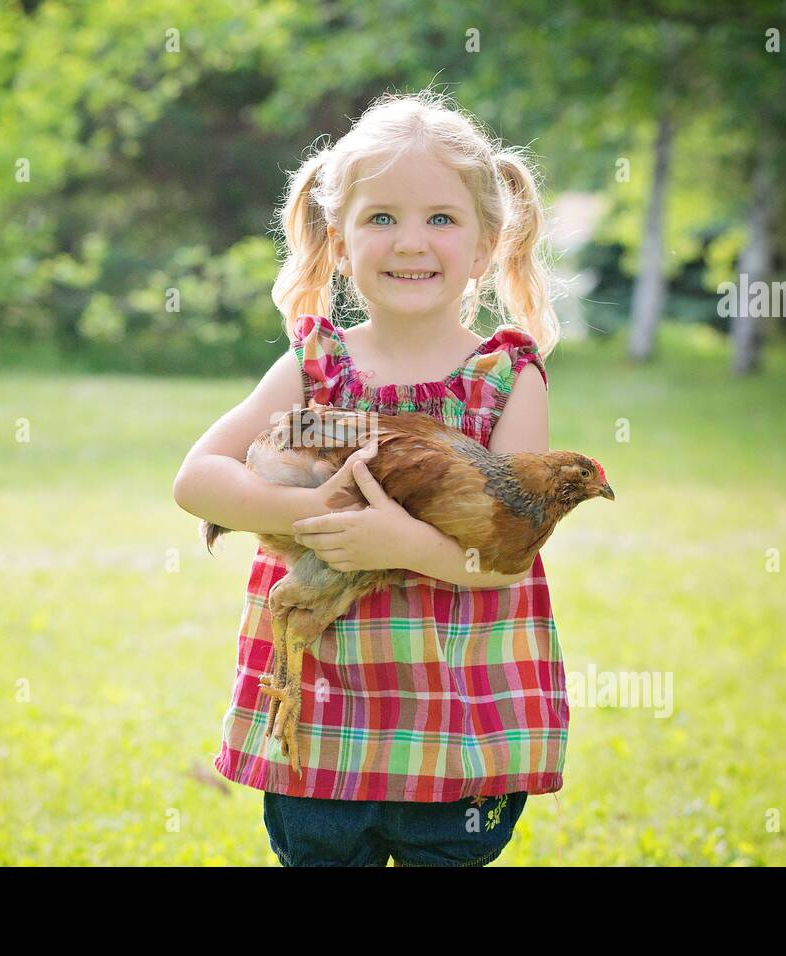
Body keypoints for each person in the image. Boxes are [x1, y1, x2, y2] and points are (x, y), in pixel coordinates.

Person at [173, 87, 567, 866]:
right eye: (381, 218)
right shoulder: (317, 367)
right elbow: (197, 479)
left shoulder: (505, 381)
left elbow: (506, 555)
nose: (410, 242)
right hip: (322, 714)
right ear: (343, 244)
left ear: (487, 244)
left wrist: (404, 542)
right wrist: (299, 505)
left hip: (456, 722)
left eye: (441, 219)